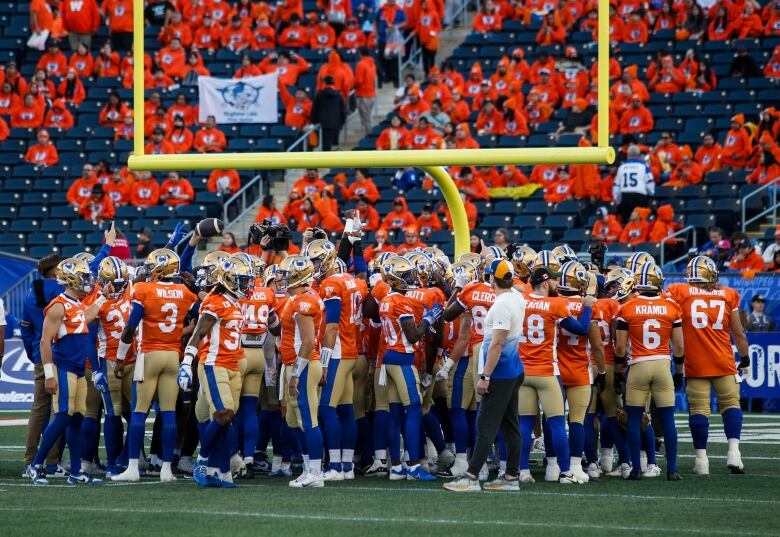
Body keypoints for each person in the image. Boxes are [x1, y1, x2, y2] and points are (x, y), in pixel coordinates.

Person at [112, 249, 198, 483]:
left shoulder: (144, 289)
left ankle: (131, 468)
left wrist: (120, 357)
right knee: (169, 413)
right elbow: (199, 315)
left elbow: (130, 328)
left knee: (140, 411)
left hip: (149, 354)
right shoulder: (184, 292)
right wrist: (183, 331)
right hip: (173, 355)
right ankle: (166, 470)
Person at [444, 259, 526, 492]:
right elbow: (519, 289)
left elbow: (497, 343)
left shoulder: (502, 304)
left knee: (486, 425)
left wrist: (486, 376)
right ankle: (510, 476)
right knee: (510, 426)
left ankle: (471, 477)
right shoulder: (516, 297)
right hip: (513, 369)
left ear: (492, 278)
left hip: (500, 372)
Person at [25, 257, 108, 486]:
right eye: (83, 277)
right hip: (63, 368)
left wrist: (103, 297)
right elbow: (44, 341)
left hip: (78, 370)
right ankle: (36, 465)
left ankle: (75, 472)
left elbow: (86, 316)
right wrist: (50, 375)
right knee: (63, 416)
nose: (87, 281)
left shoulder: (76, 303)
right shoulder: (58, 305)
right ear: (71, 279)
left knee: (77, 418)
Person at [667, 257, 750, 474]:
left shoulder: (679, 291)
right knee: (731, 404)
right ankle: (734, 453)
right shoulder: (728, 294)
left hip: (695, 363)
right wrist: (746, 358)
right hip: (723, 360)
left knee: (699, 409)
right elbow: (738, 332)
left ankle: (701, 461)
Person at [181, 255, 256, 488]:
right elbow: (198, 333)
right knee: (224, 414)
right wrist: (186, 362)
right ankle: (203, 461)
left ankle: (221, 471)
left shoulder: (235, 301)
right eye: (243, 280)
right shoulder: (216, 302)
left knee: (224, 420)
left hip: (233, 364)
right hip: (215, 364)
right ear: (229, 279)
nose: (247, 286)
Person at [614, 263, 683, 481]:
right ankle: (672, 469)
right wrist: (679, 371)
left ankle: (636, 469)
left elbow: (620, 347)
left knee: (634, 419)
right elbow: (679, 346)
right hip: (663, 364)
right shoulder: (672, 307)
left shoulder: (627, 308)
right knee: (668, 419)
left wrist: (618, 371)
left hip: (638, 366)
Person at [276, 255, 327, 488]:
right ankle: (308, 469)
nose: (282, 278)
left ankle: (316, 472)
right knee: (293, 420)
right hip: (295, 363)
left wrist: (296, 373)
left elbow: (307, 342)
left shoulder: (302, 301)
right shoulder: (298, 297)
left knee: (308, 419)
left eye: (287, 274)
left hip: (304, 364)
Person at [613, 145, 655, 223]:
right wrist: (651, 192)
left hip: (626, 197)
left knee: (626, 224)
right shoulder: (644, 165)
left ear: (628, 155)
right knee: (641, 222)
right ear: (639, 155)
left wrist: (618, 200)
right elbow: (650, 182)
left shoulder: (622, 166)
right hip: (640, 197)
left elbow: (616, 185)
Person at [311, 75, 346, 151]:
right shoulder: (339, 95)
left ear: (325, 83)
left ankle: (326, 161)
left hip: (323, 124)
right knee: (334, 144)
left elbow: (314, 110)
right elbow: (343, 111)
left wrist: (314, 122)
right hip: (336, 124)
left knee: (325, 145)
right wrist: (341, 123)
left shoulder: (319, 95)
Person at [354, 47, 376, 136]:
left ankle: (369, 138)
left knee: (366, 119)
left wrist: (352, 84)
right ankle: (367, 136)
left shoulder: (361, 64)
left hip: (363, 95)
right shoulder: (372, 64)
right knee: (367, 117)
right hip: (371, 94)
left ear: (360, 53)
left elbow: (358, 80)